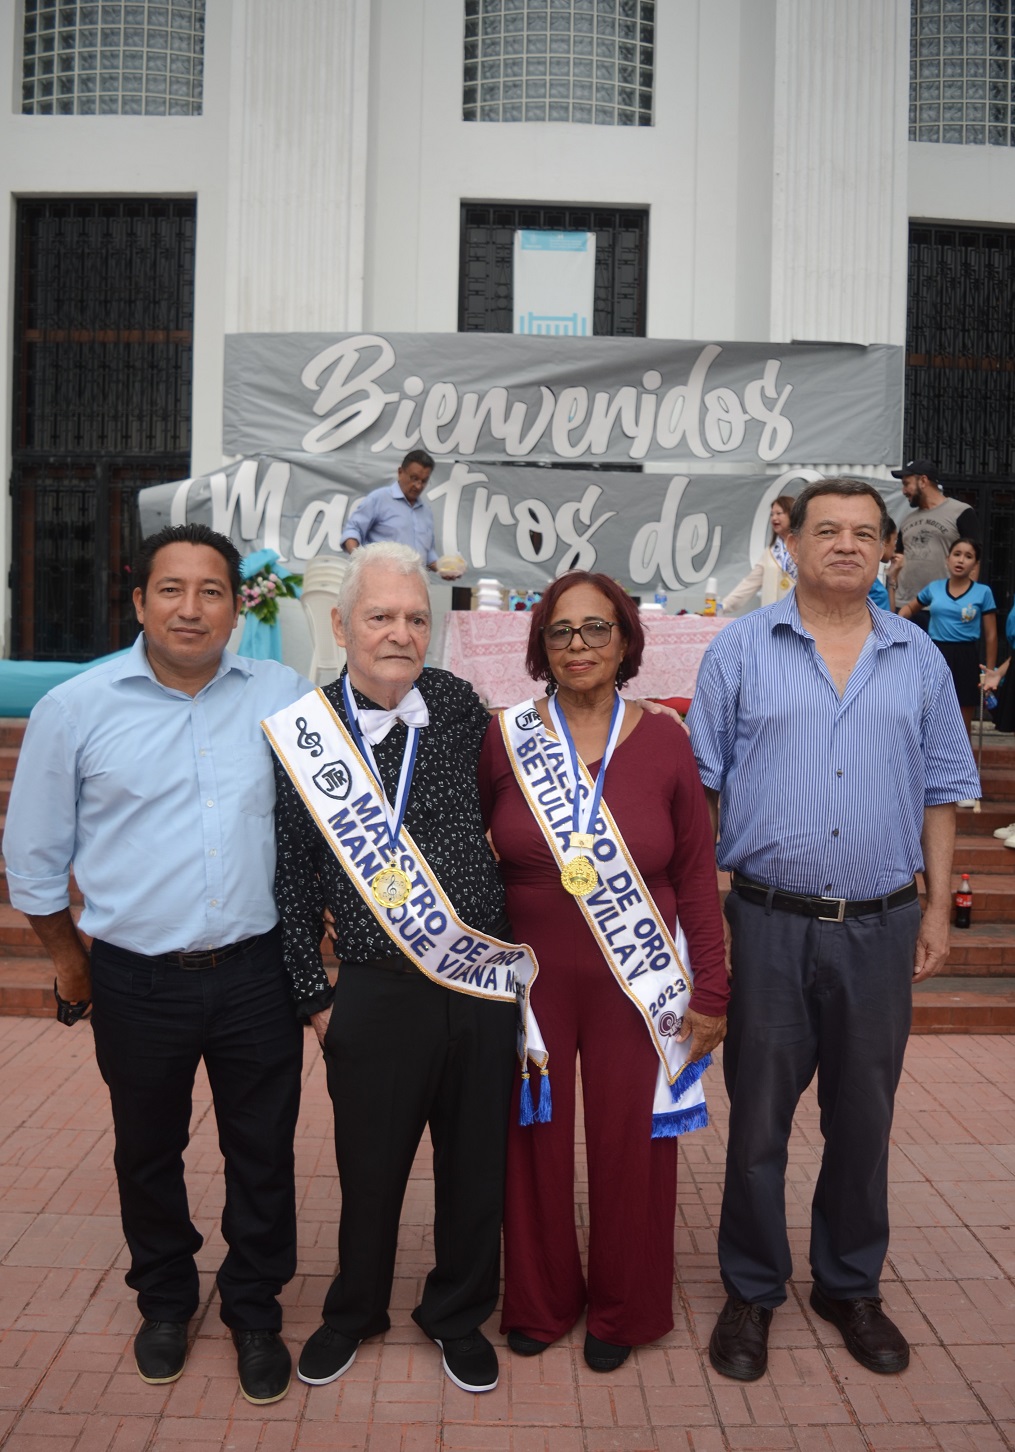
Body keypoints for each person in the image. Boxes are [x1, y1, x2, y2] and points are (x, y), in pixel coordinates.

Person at [2, 524, 310, 1406]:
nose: (191, 608)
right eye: (170, 589)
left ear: (236, 605)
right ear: (137, 602)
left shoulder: (282, 694)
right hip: (137, 976)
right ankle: (166, 1300)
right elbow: (32, 859)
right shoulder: (77, 707)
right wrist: (71, 963)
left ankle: (254, 1308)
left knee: (263, 1152)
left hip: (257, 972)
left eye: (211, 590)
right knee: (149, 1152)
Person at [688, 479, 979, 1384]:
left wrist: (934, 910)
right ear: (793, 542)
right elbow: (698, 795)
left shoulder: (919, 659)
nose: (846, 545)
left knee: (864, 1117)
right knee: (759, 1124)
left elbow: (941, 791)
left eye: (864, 533)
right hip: (765, 925)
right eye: (828, 530)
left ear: (888, 549)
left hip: (881, 927)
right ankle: (751, 1288)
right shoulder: (738, 649)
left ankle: (849, 1284)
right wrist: (706, 927)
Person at [265, 541, 524, 1396]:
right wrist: (316, 1001)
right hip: (373, 991)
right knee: (368, 1169)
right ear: (341, 626)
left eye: (416, 618)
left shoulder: (456, 705)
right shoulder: (307, 735)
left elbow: (508, 814)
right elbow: (292, 876)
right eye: (380, 616)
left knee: (474, 1169)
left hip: (477, 983)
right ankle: (353, 1312)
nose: (400, 633)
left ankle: (456, 1314)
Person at [478, 571, 729, 1372]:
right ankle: (540, 1302)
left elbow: (694, 871)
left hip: (638, 982)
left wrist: (713, 988)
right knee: (532, 1142)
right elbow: (470, 848)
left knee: (634, 1149)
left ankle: (625, 1308)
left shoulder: (661, 739)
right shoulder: (506, 735)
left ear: (625, 640)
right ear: (538, 645)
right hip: (534, 983)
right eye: (560, 632)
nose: (577, 645)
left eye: (595, 630)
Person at [898, 538, 997, 740]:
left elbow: (991, 634)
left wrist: (990, 671)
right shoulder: (934, 588)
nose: (961, 560)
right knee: (927, 712)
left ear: (975, 565)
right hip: (935, 654)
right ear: (947, 559)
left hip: (965, 656)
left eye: (968, 556)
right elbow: (909, 608)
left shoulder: (983, 592)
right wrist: (898, 622)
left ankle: (962, 769)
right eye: (957, 554)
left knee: (962, 720)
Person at [890, 459, 980, 620]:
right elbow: (898, 560)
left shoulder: (961, 512)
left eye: (906, 484)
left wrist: (968, 601)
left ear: (923, 481)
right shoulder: (907, 520)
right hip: (905, 606)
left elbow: (974, 559)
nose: (903, 491)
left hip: (942, 607)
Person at [341, 448, 442, 570]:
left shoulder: (426, 511)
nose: (418, 486)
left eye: (424, 481)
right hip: (382, 578)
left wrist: (444, 569)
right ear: (400, 472)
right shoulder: (379, 498)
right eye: (414, 478)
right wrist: (359, 562)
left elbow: (428, 554)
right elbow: (352, 530)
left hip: (415, 583)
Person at [720, 495, 797, 614]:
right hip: (773, 619)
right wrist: (723, 605)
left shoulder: (805, 548)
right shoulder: (770, 553)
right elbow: (750, 583)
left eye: (779, 513)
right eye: (772, 514)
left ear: (791, 515)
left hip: (799, 618)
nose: (774, 518)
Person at [867, 518, 899, 612]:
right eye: (895, 540)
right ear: (884, 542)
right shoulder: (865, 580)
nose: (895, 547)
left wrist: (892, 578)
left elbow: (890, 617)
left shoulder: (872, 578)